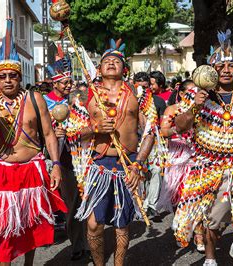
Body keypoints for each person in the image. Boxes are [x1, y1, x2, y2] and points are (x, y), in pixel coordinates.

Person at [173, 30, 233, 266]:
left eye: (231, 65)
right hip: (208, 165)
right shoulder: (196, 95)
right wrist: (194, 108)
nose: (226, 70)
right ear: (211, 69)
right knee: (214, 218)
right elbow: (179, 126)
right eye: (221, 65)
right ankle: (210, 258)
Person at [0, 19, 66, 265]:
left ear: (19, 76)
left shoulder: (35, 99)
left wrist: (55, 164)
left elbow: (48, 135)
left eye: (12, 76)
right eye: (2, 76)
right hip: (1, 171)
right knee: (4, 226)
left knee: (31, 225)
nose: (7, 80)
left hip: (32, 170)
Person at [66, 39, 156, 266]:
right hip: (99, 164)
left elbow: (150, 131)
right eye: (106, 61)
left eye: (116, 61)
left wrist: (139, 165)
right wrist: (95, 129)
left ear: (124, 68)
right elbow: (74, 133)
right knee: (94, 224)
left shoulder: (140, 93)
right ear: (99, 68)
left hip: (128, 163)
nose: (111, 64)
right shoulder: (86, 95)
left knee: (122, 224)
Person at [44, 44, 89, 261]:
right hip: (63, 162)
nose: (69, 84)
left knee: (88, 201)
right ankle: (77, 243)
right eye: (64, 81)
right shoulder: (45, 103)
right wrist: (54, 132)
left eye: (70, 81)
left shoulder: (78, 101)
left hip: (84, 159)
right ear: (54, 82)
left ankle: (89, 242)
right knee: (72, 204)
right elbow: (39, 133)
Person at [157, 79, 205, 252]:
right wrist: (180, 129)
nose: (194, 95)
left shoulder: (203, 109)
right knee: (179, 197)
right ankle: (182, 230)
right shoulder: (172, 109)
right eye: (190, 92)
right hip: (178, 157)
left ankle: (199, 235)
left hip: (198, 157)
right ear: (183, 94)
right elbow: (163, 131)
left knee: (197, 196)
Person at [133, 72, 165, 217]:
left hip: (155, 141)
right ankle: (142, 203)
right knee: (141, 174)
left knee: (157, 171)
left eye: (145, 87)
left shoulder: (158, 102)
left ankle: (152, 204)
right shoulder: (129, 102)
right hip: (135, 142)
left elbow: (163, 124)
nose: (142, 90)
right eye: (138, 87)